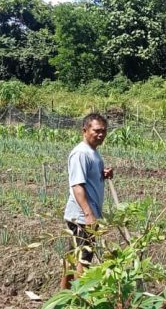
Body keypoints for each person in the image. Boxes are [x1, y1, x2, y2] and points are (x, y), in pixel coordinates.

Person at [60, 113, 113, 289]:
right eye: (96, 131)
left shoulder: (92, 153)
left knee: (72, 260)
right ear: (85, 130)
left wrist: (101, 174)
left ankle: (64, 299)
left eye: (104, 131)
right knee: (83, 260)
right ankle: (79, 300)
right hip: (82, 217)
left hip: (82, 216)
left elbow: (87, 180)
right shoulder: (80, 153)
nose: (101, 135)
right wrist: (89, 214)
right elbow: (77, 186)